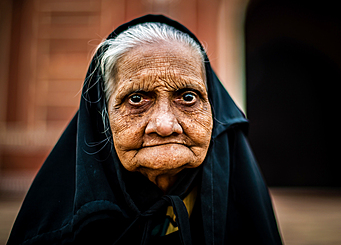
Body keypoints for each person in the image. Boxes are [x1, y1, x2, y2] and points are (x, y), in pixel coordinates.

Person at [7, 15, 282, 245]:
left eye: (187, 97)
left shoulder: (239, 205)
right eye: (136, 99)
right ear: (102, 120)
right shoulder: (54, 236)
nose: (164, 125)